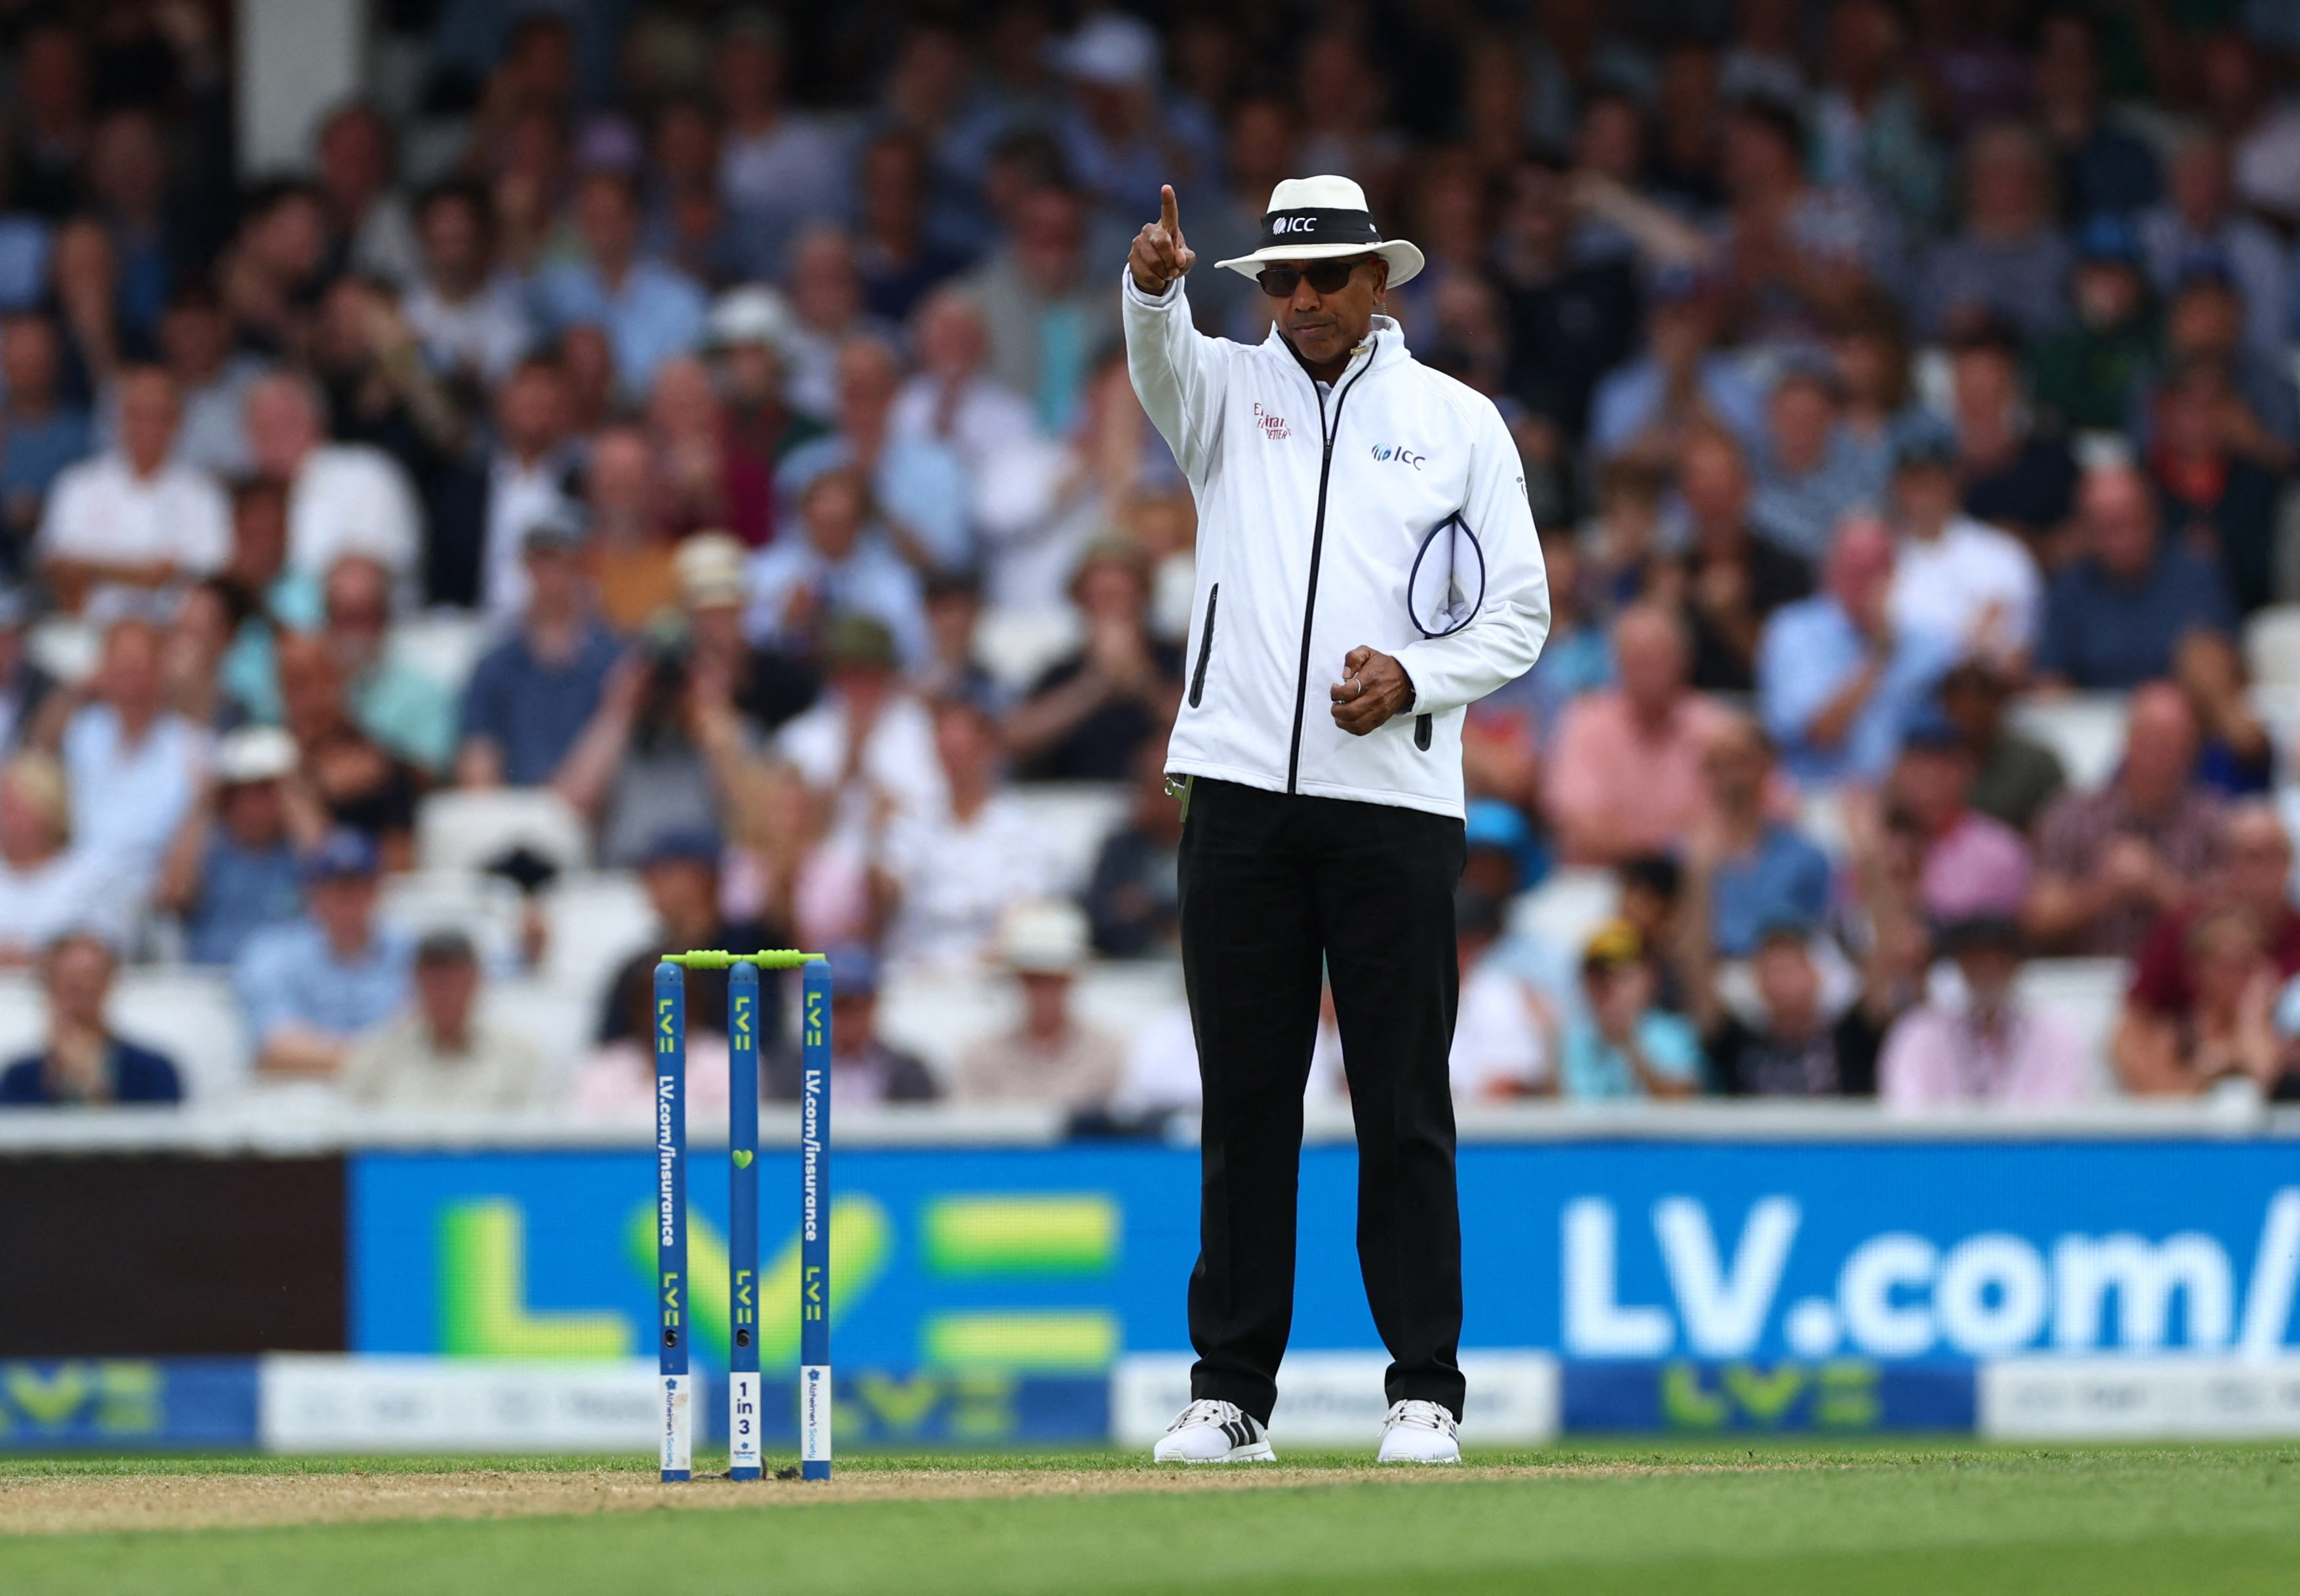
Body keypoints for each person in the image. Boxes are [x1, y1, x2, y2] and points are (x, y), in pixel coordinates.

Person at [1126, 176, 1548, 1465]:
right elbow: (1157, 354)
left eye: (1327, 277)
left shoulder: (1457, 422)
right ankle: (1229, 1395)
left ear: (1380, 280)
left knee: (1401, 1101)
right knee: (1243, 1103)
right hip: (1240, 798)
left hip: (1397, 807)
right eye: (1282, 281)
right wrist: (1151, 285)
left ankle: (1423, 1388)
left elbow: (1517, 615)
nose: (1302, 301)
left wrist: (1414, 680)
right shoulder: (1223, 393)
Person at [2026, 683, 2226, 959]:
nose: (2158, 751)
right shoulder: (2072, 816)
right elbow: (2038, 919)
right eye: (2149, 737)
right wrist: (2102, 891)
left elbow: (2228, 932)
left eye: (2171, 741)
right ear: (2127, 740)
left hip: (2183, 989)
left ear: (2192, 749)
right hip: (2085, 981)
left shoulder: (2214, 823)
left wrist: (2159, 885)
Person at [1758, 518, 1955, 790]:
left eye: (1874, 570)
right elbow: (1823, 733)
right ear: (1829, 571)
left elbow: (1953, 735)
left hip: (1905, 804)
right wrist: (1878, 656)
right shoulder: (1793, 632)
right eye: (1853, 570)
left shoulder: (1929, 645)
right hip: (1816, 798)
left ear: (1894, 572)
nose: (1863, 584)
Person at [1544, 605, 1731, 867]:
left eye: (1659, 658)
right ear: (1617, 662)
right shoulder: (1585, 722)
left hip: (1698, 878)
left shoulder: (1718, 728)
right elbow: (1579, 826)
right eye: (1639, 659)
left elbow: (1749, 818)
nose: (1649, 671)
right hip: (1603, 874)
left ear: (1685, 660)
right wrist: (1666, 849)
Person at [878, 697, 1057, 967]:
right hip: (916, 971)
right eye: (947, 754)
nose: (955, 766)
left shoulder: (1023, 831)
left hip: (992, 976)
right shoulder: (911, 823)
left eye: (963, 753)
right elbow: (887, 895)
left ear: (988, 750)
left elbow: (1021, 917)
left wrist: (974, 968)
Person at [37, 365, 230, 611]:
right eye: (136, 414)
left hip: (173, 636)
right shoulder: (77, 485)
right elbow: (57, 567)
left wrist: (93, 569)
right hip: (91, 633)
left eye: (159, 415)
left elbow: (209, 575)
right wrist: (149, 574)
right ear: (118, 418)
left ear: (178, 421)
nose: (147, 426)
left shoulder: (204, 493)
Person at [2034, 463, 2236, 691]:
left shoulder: (2195, 573)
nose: (2124, 539)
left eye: (2132, 522)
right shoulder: (2068, 588)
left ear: (2154, 517)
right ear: (2085, 532)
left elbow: (2226, 664)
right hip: (2094, 719)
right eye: (2108, 528)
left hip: (2182, 714)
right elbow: (2051, 680)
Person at [456, 520, 623, 789]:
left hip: (598, 810)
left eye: (561, 562)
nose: (550, 574)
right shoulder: (495, 664)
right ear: (526, 567)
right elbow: (478, 760)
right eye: (541, 562)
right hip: (514, 813)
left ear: (581, 566)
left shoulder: (616, 662)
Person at [232, 828, 412, 1077]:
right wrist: (375, 1061)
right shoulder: (272, 952)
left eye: (358, 886)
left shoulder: (411, 951)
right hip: (301, 1093)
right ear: (312, 893)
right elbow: (278, 1047)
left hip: (392, 1093)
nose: (347, 900)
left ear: (377, 890)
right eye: (335, 888)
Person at [1004, 539, 1182, 781]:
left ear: (1144, 597)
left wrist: (1142, 681)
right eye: (1099, 598)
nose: (1109, 609)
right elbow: (1014, 739)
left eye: (1119, 596)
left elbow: (1206, 732)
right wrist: (1094, 684)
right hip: (1070, 804)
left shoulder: (1177, 661)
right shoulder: (1061, 671)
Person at [1878, 916, 2087, 1109]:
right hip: (1941, 1148)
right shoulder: (1919, 1033)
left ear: (2016, 966)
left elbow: (2060, 1113)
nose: (1987, 970)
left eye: (1998, 960)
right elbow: (1905, 1112)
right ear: (1960, 964)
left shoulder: (2055, 1033)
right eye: (1976, 960)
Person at [243, 371, 422, 588]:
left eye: (285, 422)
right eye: (262, 428)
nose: (275, 439)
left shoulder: (365, 473)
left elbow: (392, 566)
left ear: (319, 421)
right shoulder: (248, 500)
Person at [155, 726, 315, 967]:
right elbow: (172, 894)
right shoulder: (209, 850)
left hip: (284, 987)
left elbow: (331, 870)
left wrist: (294, 792)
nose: (258, 803)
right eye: (245, 791)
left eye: (267, 790)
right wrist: (204, 804)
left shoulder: (297, 851)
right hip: (212, 982)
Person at [1885, 432, 2042, 670]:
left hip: (1978, 694)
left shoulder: (2001, 553)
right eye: (1913, 483)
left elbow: (2022, 645)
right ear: (1897, 489)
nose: (1923, 494)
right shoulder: (1880, 558)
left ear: (1953, 483)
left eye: (1932, 481)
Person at [343, 930, 548, 1110]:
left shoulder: (520, 1057)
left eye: (457, 982)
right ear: (415, 985)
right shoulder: (377, 1055)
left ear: (478, 984)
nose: (447, 994)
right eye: (435, 983)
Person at [952, 898, 1124, 1108]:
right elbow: (968, 1134)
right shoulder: (980, 1056)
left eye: (1054, 979)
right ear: (1018, 981)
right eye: (1034, 980)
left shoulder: (1110, 1054)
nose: (1044, 992)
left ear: (1072, 980)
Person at [1689, 714, 1830, 960]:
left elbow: (1822, 939)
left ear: (1766, 765)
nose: (1728, 777)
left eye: (1738, 762)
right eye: (1715, 765)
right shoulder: (1681, 856)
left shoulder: (1806, 858)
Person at [0, 932, 181, 1106]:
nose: (79, 1002)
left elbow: (162, 1133)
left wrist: (95, 1089)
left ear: (109, 985)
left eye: (90, 986)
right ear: (49, 989)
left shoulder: (154, 1073)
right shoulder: (19, 1078)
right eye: (71, 987)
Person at [1888, 725, 2033, 924]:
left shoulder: (2000, 851)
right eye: (1916, 767)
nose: (1927, 781)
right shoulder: (1873, 844)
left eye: (1941, 768)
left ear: (1967, 772)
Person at [764, 942, 937, 1107]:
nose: (848, 1017)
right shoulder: (790, 1070)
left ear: (873, 1004)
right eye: (839, 1006)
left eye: (857, 1006)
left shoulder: (910, 1073)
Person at [0, 752, 133, 960]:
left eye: (14, 808)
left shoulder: (91, 877)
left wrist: (32, 960)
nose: (6, 819)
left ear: (48, 810)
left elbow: (102, 952)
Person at [1558, 917, 1701, 1101]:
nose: (1612, 988)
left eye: (1623, 977)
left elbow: (1682, 1103)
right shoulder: (1570, 1039)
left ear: (1650, 979)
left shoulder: (1674, 1033)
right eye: (1600, 978)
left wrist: (1629, 1046)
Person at [1939, 660, 2064, 836]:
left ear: (1999, 702)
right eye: (1959, 707)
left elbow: (2058, 827)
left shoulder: (2037, 763)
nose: (1969, 718)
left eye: (1980, 703)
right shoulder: (1934, 762)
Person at [1084, 742, 1185, 958]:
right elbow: (1098, 917)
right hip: (1132, 966)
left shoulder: (1208, 850)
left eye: (1156, 790)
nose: (1141, 797)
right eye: (1139, 785)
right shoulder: (1121, 848)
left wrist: (1150, 906)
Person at [1449, 889, 1551, 1100]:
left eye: (1463, 941)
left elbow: (1520, 1074)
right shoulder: (1406, 997)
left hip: (1497, 1125)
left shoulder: (1506, 993)